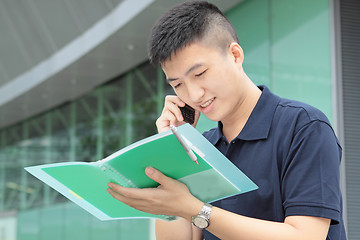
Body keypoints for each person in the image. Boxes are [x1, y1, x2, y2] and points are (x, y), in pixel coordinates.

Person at [107, 1, 347, 239]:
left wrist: (195, 209)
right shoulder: (202, 148)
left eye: (199, 74)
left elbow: (305, 236)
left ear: (235, 55)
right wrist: (172, 152)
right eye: (177, 84)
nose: (193, 94)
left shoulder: (303, 127)